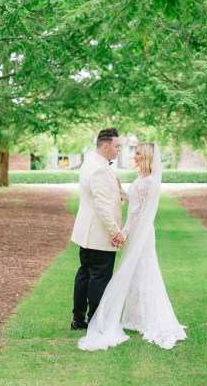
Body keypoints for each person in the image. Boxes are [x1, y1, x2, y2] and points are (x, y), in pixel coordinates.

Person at [78, 143, 187, 351]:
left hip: (141, 233)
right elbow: (136, 203)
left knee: (143, 270)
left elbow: (137, 212)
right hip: (140, 231)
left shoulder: (148, 181)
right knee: (138, 272)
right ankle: (138, 317)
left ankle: (147, 318)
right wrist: (121, 191)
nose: (134, 155)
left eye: (137, 153)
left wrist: (122, 234)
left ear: (145, 156)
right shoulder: (145, 178)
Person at [70, 128, 128, 330]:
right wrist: (115, 232)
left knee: (85, 274)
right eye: (116, 146)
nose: (118, 149)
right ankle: (95, 320)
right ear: (105, 147)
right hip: (98, 234)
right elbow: (102, 206)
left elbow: (108, 198)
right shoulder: (98, 169)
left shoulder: (91, 163)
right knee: (98, 278)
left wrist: (119, 191)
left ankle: (78, 319)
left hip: (87, 233)